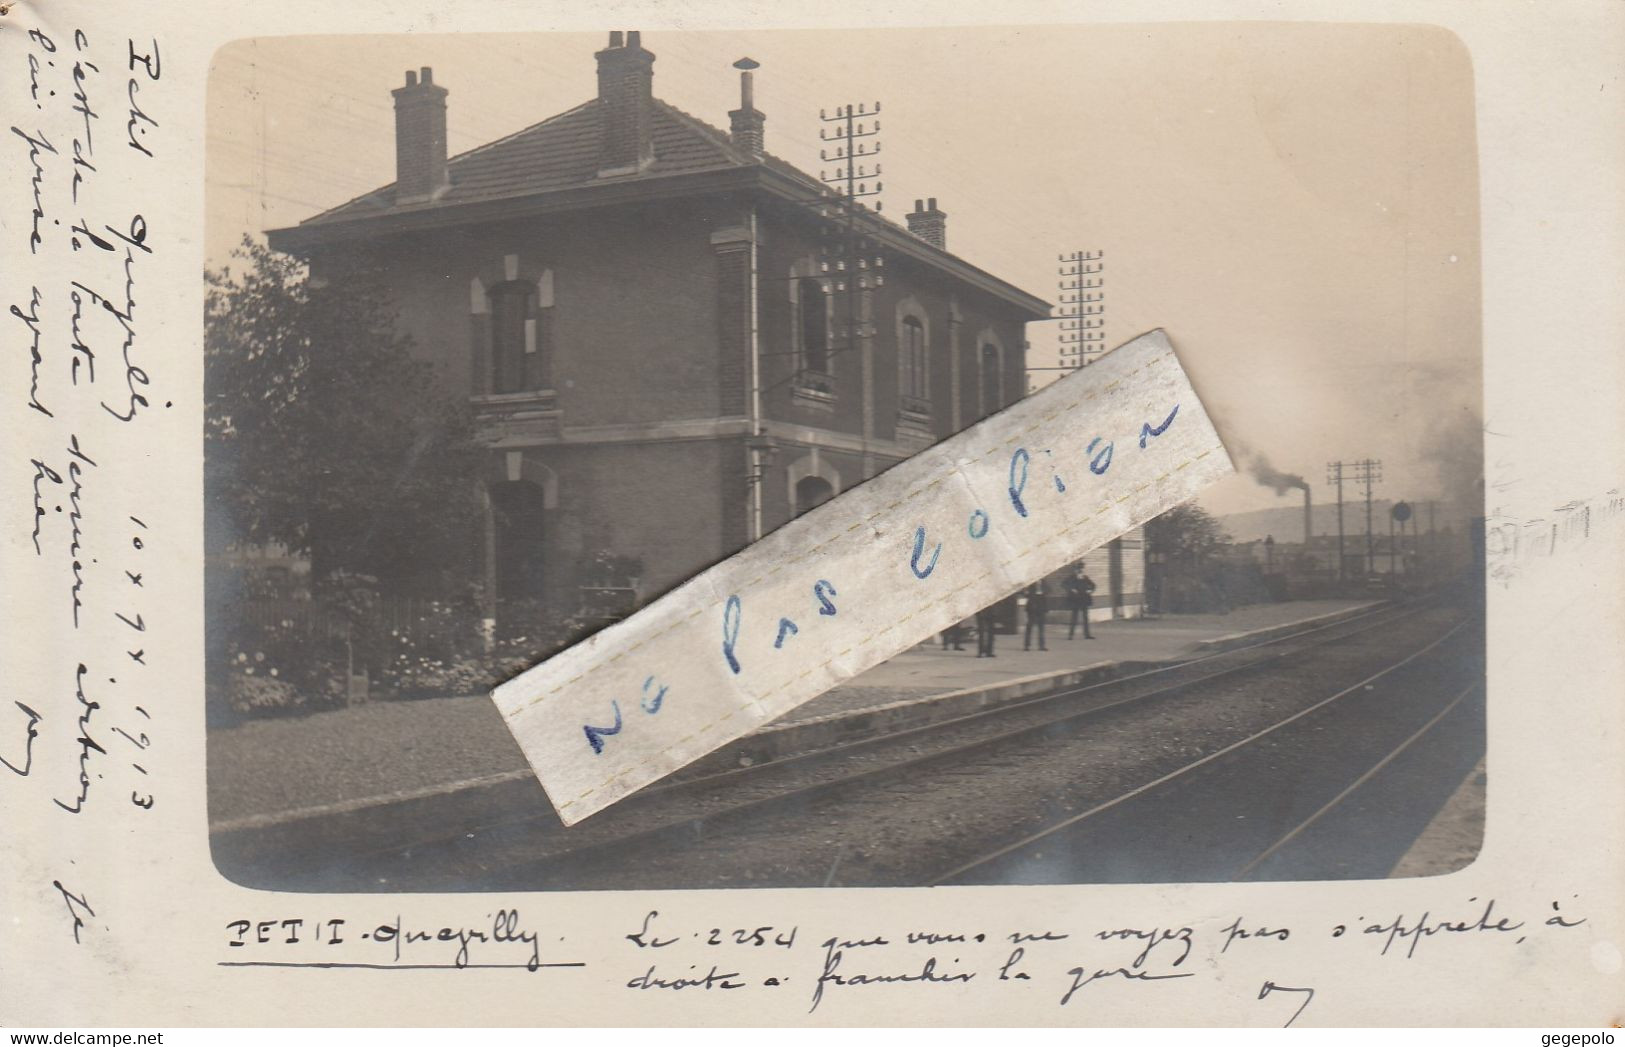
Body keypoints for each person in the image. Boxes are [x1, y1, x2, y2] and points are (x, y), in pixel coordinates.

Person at [1065, 567, 1096, 639]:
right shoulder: (1071, 578)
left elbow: (1093, 585)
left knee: (1085, 618)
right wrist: (1071, 589)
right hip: (1075, 600)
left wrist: (1090, 590)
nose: (1080, 574)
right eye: (1079, 572)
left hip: (1084, 600)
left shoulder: (1085, 578)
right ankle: (1070, 635)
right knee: (1074, 618)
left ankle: (1087, 635)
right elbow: (1064, 584)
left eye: (1081, 572)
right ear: (1076, 572)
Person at [1023, 579, 1050, 651]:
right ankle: (1027, 645)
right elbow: (1025, 594)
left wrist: (1042, 591)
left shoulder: (1044, 582)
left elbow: (1049, 590)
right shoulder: (1030, 583)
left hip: (1041, 608)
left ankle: (1041, 646)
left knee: (1041, 627)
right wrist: (1029, 592)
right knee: (1029, 626)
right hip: (1032, 608)